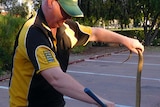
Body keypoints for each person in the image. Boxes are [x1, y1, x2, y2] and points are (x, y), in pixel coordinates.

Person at [9, 0, 144, 107]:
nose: (69, 16)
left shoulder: (66, 28)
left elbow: (95, 33)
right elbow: (55, 78)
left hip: (55, 103)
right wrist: (99, 101)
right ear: (50, 2)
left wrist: (126, 40)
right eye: (65, 11)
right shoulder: (34, 32)